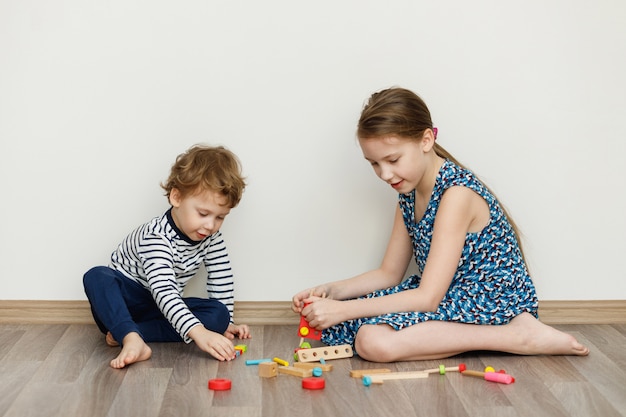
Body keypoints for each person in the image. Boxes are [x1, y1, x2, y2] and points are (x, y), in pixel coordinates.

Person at [292, 87, 589, 362]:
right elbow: (389, 273)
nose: (384, 174)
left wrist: (343, 310)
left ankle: (516, 334)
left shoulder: (456, 194)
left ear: (426, 140)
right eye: (374, 164)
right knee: (352, 329)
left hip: (487, 299)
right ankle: (510, 334)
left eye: (393, 159)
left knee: (371, 341)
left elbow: (427, 297)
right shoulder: (408, 193)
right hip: (447, 294)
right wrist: (331, 292)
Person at [84, 144, 251, 369]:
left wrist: (226, 323)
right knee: (97, 276)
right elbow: (163, 290)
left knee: (217, 314)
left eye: (220, 217)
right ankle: (128, 334)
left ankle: (130, 333)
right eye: (203, 213)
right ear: (176, 197)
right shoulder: (157, 237)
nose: (211, 225)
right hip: (126, 302)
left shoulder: (211, 238)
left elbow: (221, 278)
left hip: (161, 307)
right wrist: (200, 333)